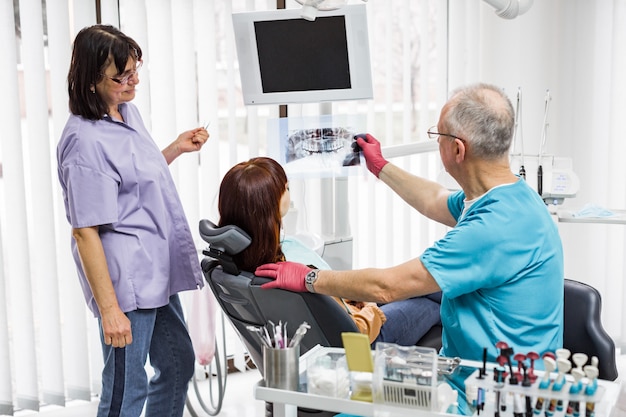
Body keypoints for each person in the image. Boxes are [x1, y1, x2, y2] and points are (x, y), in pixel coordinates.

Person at [255, 83, 564, 365]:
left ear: (458, 149)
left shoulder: (493, 228)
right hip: (471, 366)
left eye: (438, 135)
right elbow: (434, 199)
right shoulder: (509, 197)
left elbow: (387, 287)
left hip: (499, 388)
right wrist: (380, 167)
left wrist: (309, 278)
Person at [57, 25, 208, 417]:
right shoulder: (84, 141)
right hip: (126, 283)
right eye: (122, 76)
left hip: (157, 270)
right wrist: (110, 310)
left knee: (178, 365)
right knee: (126, 388)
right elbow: (85, 229)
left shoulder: (126, 113)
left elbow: (133, 177)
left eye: (135, 71)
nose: (132, 82)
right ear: (92, 80)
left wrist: (175, 148)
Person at [217, 156, 441, 346]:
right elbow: (355, 328)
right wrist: (369, 305)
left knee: (435, 287)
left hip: (351, 316)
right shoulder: (288, 274)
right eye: (285, 188)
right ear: (271, 204)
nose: (289, 190)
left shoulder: (244, 262)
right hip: (363, 341)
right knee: (439, 300)